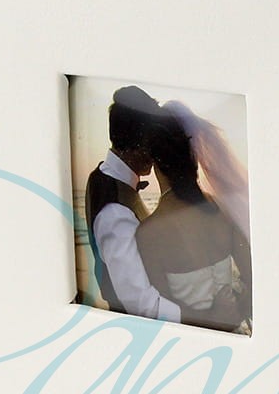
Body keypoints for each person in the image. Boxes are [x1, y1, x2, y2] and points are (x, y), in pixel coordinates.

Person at [136, 101, 252, 334]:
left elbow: (161, 317)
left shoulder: (149, 233)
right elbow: (257, 282)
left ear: (154, 160)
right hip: (238, 334)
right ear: (195, 155)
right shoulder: (222, 209)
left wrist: (214, 319)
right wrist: (235, 313)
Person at [84, 85, 181, 321]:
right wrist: (199, 317)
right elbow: (142, 305)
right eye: (153, 143)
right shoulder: (115, 212)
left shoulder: (102, 175)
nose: (155, 154)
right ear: (137, 144)